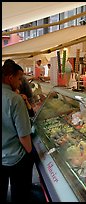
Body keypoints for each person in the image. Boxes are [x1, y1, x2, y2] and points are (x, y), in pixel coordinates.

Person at [2, 59, 34, 203]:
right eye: (19, 78)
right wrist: (31, 153)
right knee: (20, 195)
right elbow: (24, 135)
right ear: (10, 78)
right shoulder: (15, 99)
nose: (20, 83)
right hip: (16, 157)